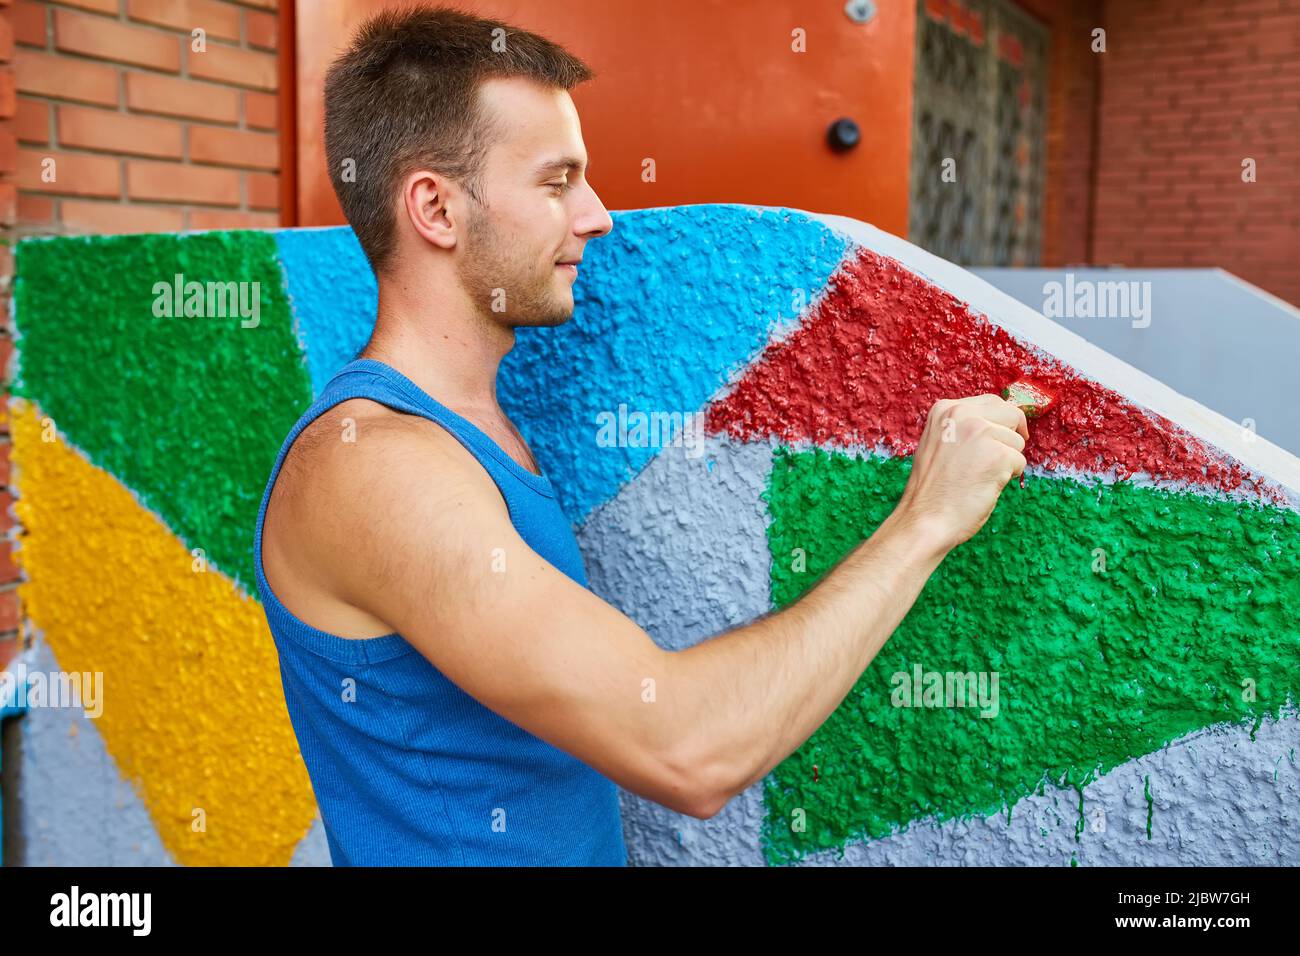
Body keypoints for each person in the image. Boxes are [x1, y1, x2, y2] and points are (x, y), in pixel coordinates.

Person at [254, 4, 1029, 866]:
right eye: (556, 183)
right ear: (435, 207)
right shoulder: (380, 473)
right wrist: (922, 522)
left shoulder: (465, 430)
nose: (597, 216)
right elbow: (688, 749)